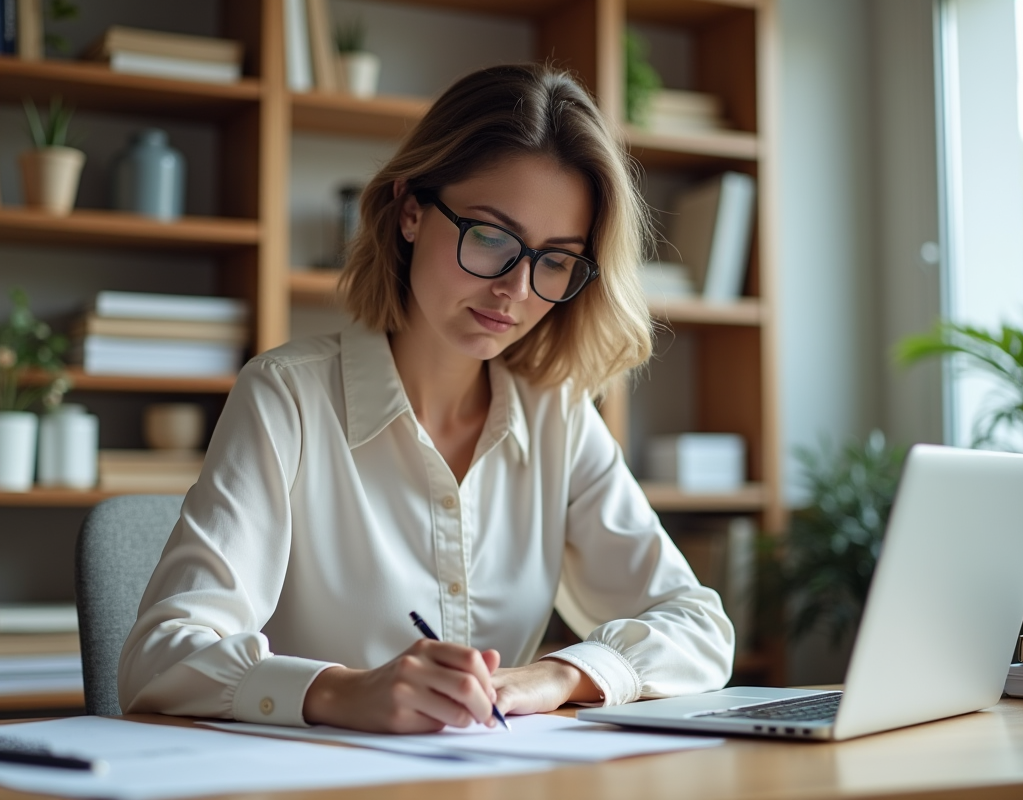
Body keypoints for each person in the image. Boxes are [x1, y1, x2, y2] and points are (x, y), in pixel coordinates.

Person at [118, 63, 734, 733]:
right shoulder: (287, 398)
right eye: (493, 237)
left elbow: (700, 628)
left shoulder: (556, 415)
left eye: (556, 258)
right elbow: (156, 662)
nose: (516, 289)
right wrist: (340, 691)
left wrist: (558, 675)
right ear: (410, 210)